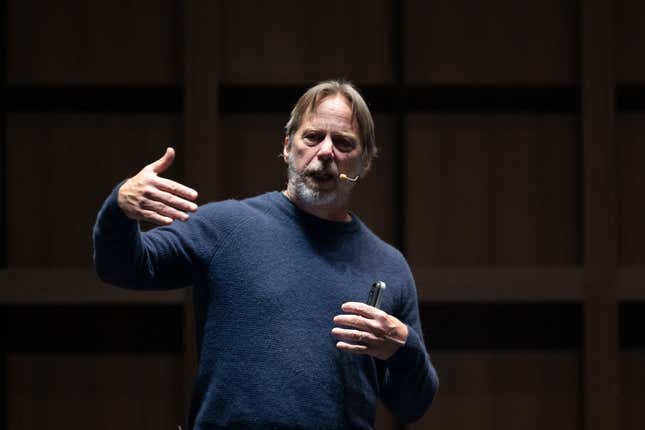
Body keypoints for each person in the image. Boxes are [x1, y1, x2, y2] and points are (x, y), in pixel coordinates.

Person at [93, 80, 438, 429]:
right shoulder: (226, 226)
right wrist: (119, 206)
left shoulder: (388, 266)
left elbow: (412, 405)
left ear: (364, 162)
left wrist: (403, 348)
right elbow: (122, 268)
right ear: (287, 146)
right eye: (313, 137)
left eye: (344, 143)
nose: (326, 152)